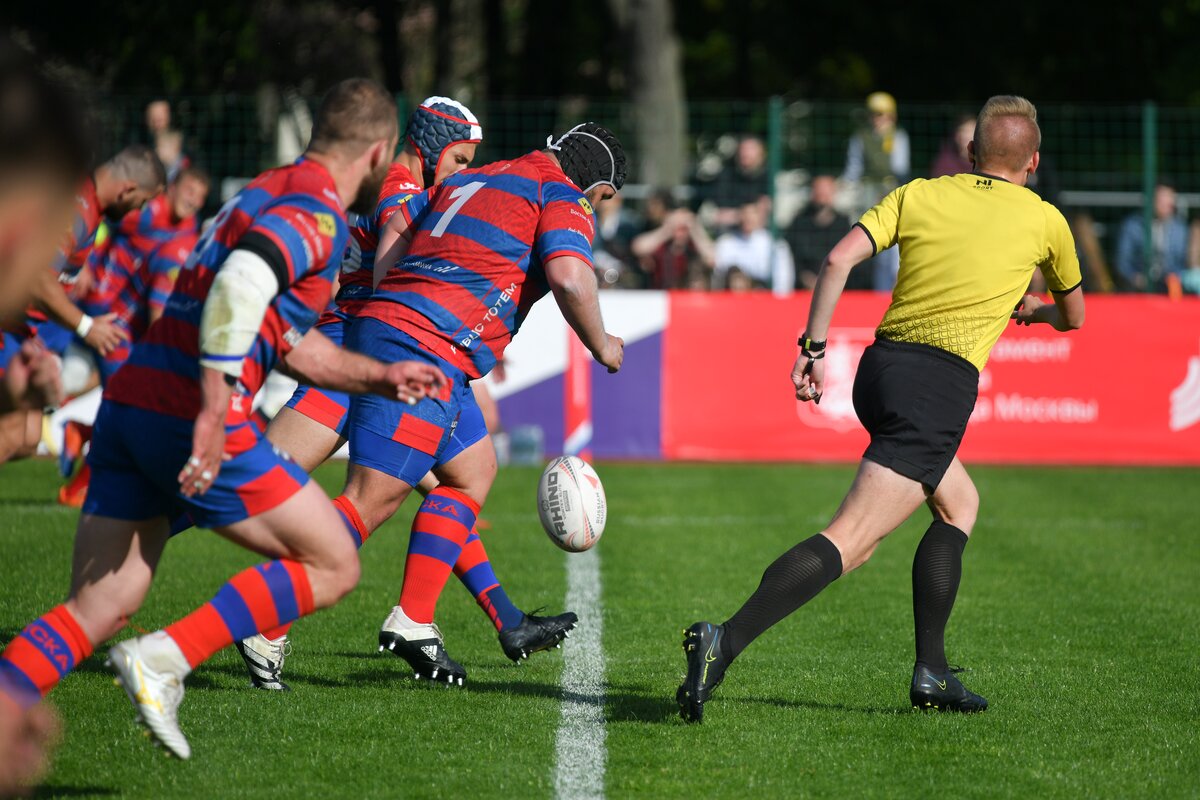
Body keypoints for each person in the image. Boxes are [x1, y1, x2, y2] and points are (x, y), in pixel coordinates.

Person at [0, 78, 450, 761]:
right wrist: (213, 413)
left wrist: (380, 375)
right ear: (381, 151)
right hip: (189, 413)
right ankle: (166, 660)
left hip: (131, 405)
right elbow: (241, 286)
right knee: (334, 563)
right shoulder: (317, 212)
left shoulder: (267, 187)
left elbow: (288, 338)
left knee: (101, 605)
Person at [677, 95, 1085, 723]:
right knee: (853, 539)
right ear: (1033, 159)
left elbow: (838, 259)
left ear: (971, 152)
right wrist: (1037, 311)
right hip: (938, 385)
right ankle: (722, 642)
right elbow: (1076, 317)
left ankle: (933, 673)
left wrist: (812, 348)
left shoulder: (921, 192)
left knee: (960, 503)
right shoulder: (1045, 219)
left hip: (880, 369)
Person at [237, 98, 576, 692]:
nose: (461, 171)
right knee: (263, 485)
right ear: (432, 144)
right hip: (371, 352)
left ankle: (486, 619)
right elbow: (398, 265)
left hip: (387, 348)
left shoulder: (412, 182)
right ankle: (256, 616)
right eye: (461, 158)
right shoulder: (398, 185)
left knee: (465, 473)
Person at [336, 122, 627, 687]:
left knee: (473, 471)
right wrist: (603, 344)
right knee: (371, 500)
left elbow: (400, 227)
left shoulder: (484, 175)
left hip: (410, 335)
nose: (601, 210)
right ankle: (255, 620)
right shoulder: (562, 193)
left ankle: (419, 618)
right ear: (596, 187)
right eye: (607, 199)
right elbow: (570, 278)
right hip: (421, 346)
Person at [0, 145, 165, 466]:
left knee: (28, 437)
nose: (137, 211)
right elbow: (36, 277)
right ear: (127, 189)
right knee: (13, 428)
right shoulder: (78, 207)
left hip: (20, 329)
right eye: (141, 202)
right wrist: (86, 327)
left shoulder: (85, 206)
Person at [842, 91, 910, 291]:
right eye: (874, 114)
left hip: (891, 191)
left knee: (893, 252)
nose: (878, 119)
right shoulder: (860, 137)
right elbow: (852, 171)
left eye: (882, 114)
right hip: (866, 192)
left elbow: (901, 169)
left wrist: (890, 192)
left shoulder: (898, 136)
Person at [784, 175, 859, 291]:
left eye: (826, 191)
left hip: (837, 284)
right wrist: (806, 279)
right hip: (802, 287)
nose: (822, 195)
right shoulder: (800, 222)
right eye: (819, 190)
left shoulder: (843, 223)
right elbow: (791, 257)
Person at [1114, 182, 1190, 293]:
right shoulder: (1132, 226)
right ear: (1151, 200)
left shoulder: (1180, 229)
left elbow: (1185, 262)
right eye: (1163, 198)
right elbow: (1122, 262)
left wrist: (1175, 277)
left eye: (1170, 198)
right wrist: (1134, 277)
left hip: (1171, 286)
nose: (1168, 203)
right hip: (1139, 286)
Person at [712, 201, 794, 294]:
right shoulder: (725, 244)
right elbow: (718, 278)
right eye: (745, 213)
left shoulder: (776, 245)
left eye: (753, 213)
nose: (748, 218)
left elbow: (783, 285)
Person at [630, 205, 715, 289]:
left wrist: (695, 229)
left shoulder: (694, 247)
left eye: (684, 228)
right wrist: (666, 230)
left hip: (688, 297)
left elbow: (713, 259)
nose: (680, 234)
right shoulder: (661, 246)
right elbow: (638, 248)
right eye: (677, 228)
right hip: (660, 296)